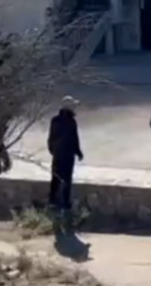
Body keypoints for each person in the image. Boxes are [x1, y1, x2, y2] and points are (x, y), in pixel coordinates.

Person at [47, 96, 84, 225]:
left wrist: (53, 151)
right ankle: (66, 204)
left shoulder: (55, 120)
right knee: (67, 180)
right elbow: (74, 139)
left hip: (57, 155)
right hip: (68, 155)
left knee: (55, 178)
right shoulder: (72, 122)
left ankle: (52, 202)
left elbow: (51, 138)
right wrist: (78, 152)